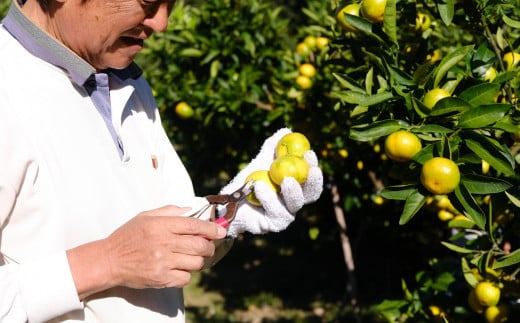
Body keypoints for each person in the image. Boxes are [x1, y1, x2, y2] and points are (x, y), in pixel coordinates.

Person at [0, 0, 323, 322]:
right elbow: (129, 253)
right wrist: (107, 262)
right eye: (148, 2)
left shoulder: (124, 81)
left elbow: (159, 234)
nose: (161, 23)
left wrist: (232, 210)